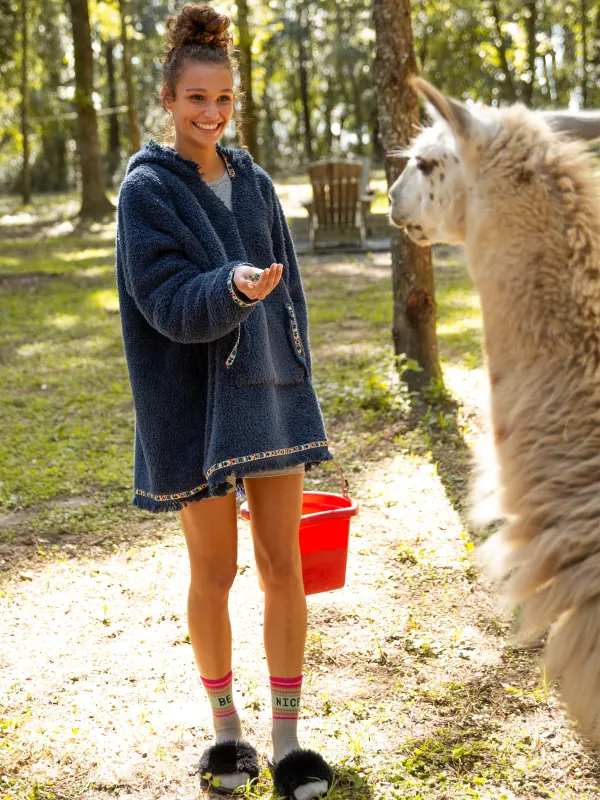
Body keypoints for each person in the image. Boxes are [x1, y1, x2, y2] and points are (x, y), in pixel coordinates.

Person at [115, 4, 334, 799]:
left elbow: (292, 299)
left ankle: (287, 740)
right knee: (216, 572)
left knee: (285, 568)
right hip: (192, 400)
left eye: (224, 100)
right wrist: (231, 286)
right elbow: (162, 299)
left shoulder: (257, 184)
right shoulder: (146, 192)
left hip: (265, 391)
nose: (212, 114)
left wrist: (298, 380)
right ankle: (226, 735)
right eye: (197, 99)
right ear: (169, 102)